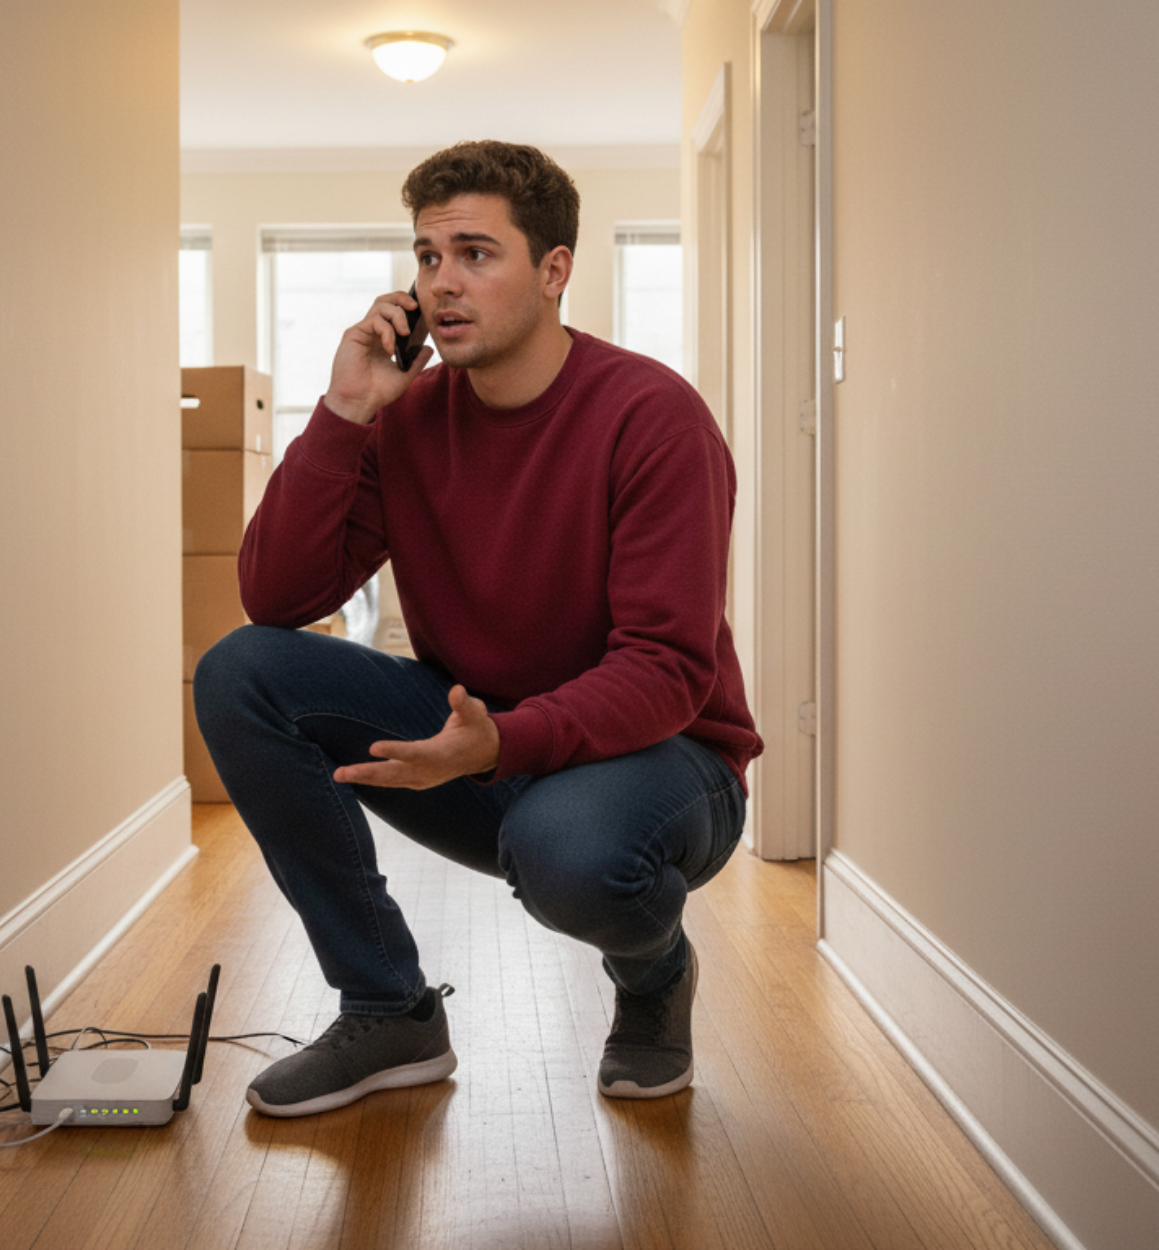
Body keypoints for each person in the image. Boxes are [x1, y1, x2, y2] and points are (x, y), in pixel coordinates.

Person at [193, 140, 761, 1118]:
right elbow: (273, 598)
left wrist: (504, 741)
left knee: (567, 849)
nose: (441, 281)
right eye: (425, 256)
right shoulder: (406, 418)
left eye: (473, 252)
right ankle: (386, 1006)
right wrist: (343, 413)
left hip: (663, 760)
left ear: (552, 271)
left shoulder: (652, 417)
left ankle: (653, 969)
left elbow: (668, 667)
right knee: (241, 672)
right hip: (483, 737)